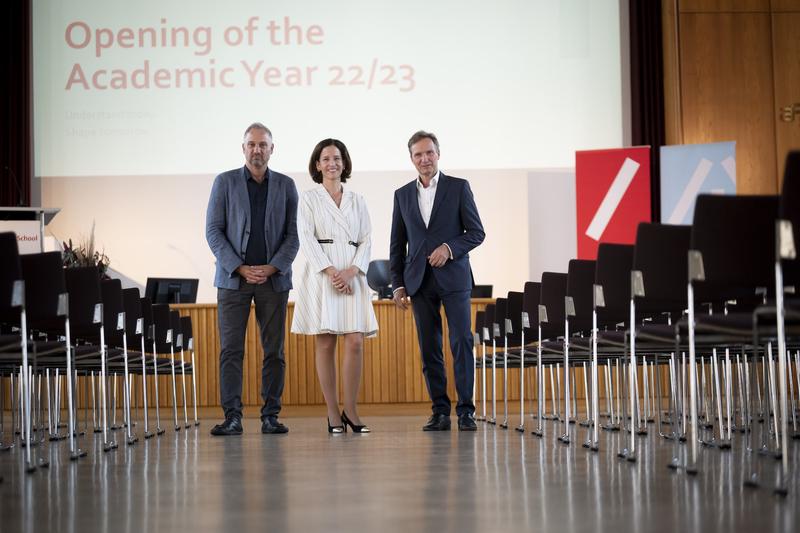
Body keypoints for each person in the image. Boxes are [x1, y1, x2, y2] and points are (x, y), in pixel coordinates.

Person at [205, 122, 299, 436]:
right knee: (231, 350)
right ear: (243, 148)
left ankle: (270, 415)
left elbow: (293, 235)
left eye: (263, 145)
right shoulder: (225, 182)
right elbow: (213, 231)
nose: (257, 150)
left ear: (272, 149)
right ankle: (232, 417)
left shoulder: (286, 186)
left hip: (273, 281)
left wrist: (273, 267)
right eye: (251, 144)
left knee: (274, 351)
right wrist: (239, 267)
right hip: (233, 281)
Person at [389, 130, 485, 432]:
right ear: (411, 159)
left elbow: (476, 232)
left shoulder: (458, 188)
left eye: (429, 152)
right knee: (429, 348)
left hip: (455, 278)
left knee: (461, 342)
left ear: (438, 154)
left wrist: (449, 248)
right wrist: (397, 284)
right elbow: (397, 244)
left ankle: (466, 411)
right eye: (418, 154)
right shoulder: (402, 194)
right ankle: (440, 411)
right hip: (418, 282)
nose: (424, 159)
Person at [291, 138, 378, 434]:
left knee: (355, 341)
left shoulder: (358, 199)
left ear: (344, 163)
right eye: (326, 158)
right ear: (317, 164)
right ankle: (332, 413)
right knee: (326, 341)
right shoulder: (308, 198)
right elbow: (305, 237)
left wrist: (352, 270)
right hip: (322, 274)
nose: (332, 163)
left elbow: (366, 238)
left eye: (337, 158)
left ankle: (351, 409)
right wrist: (331, 272)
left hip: (353, 274)